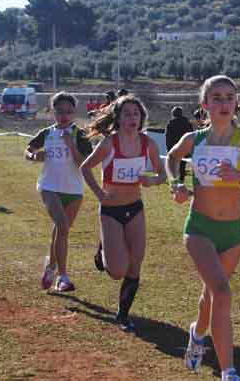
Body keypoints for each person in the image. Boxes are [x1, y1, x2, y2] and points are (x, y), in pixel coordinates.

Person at [166, 75, 240, 381]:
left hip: (233, 232)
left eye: (230, 97)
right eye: (217, 97)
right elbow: (172, 158)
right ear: (205, 104)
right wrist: (174, 183)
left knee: (212, 295)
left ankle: (197, 334)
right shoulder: (194, 140)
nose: (224, 103)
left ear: (236, 103)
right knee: (223, 292)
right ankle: (229, 372)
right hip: (200, 227)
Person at [80, 95, 166, 332]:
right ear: (118, 118)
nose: (132, 118)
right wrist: (99, 193)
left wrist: (153, 181)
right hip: (111, 210)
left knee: (135, 262)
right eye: (127, 114)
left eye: (136, 114)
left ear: (142, 118)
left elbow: (162, 174)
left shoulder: (148, 143)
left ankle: (123, 315)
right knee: (117, 271)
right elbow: (85, 167)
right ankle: (103, 249)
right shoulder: (109, 144)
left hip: (135, 208)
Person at [25, 92, 93, 293]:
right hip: (49, 187)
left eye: (69, 112)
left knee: (61, 230)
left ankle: (51, 266)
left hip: (74, 190)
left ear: (74, 113)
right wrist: (33, 156)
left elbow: (84, 164)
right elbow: (29, 148)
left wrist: (71, 145)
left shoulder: (80, 134)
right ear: (53, 111)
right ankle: (63, 277)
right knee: (62, 227)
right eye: (60, 111)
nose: (64, 116)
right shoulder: (47, 133)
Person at [165, 106, 193, 181]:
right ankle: (181, 181)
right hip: (185, 148)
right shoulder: (187, 122)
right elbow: (191, 135)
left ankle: (174, 182)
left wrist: (168, 149)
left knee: (173, 167)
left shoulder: (170, 123)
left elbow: (168, 137)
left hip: (174, 148)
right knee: (182, 166)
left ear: (173, 114)